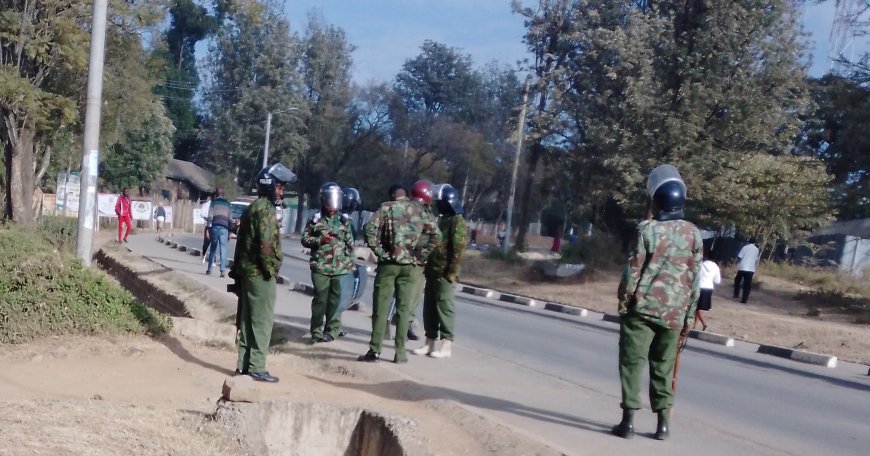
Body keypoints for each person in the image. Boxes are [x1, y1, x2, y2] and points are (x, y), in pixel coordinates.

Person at [612, 164, 702, 441]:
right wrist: (688, 318)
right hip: (674, 314)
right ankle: (663, 425)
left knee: (632, 364)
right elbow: (695, 279)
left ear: (657, 200)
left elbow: (633, 271)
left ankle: (627, 423)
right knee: (663, 367)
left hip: (641, 310)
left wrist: (624, 301)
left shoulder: (646, 230)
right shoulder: (693, 233)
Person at [229, 163, 296, 383]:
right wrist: (271, 269)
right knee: (262, 321)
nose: (281, 191)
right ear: (269, 186)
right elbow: (266, 245)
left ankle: (243, 365)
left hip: (248, 272)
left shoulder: (253, 207)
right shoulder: (266, 210)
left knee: (248, 319)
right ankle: (257, 366)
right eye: (279, 187)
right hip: (260, 273)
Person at [358, 183, 440, 363]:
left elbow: (369, 229)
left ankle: (375, 350)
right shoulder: (420, 211)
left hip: (388, 264)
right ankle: (400, 352)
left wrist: (379, 252)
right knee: (404, 310)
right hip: (410, 265)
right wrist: (421, 256)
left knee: (380, 308)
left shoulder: (387, 207)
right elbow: (436, 235)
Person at [413, 184, 467, 359]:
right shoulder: (442, 220)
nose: (438, 204)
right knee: (429, 308)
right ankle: (429, 342)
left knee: (444, 307)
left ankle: (446, 345)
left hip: (445, 273)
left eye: (440, 201)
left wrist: (451, 273)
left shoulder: (457, 222)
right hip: (433, 271)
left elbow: (457, 251)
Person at [301, 182, 355, 344]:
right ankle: (316, 331)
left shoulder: (344, 221)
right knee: (320, 300)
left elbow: (350, 244)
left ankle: (332, 330)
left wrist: (350, 264)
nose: (332, 206)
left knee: (335, 301)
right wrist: (320, 240)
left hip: (340, 268)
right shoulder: (315, 220)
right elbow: (305, 239)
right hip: (320, 266)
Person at [405, 179, 437, 342]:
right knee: (413, 295)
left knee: (401, 293)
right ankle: (406, 325)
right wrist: (425, 253)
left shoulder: (403, 208)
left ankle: (397, 323)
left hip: (400, 257)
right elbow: (436, 236)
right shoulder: (425, 213)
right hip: (417, 261)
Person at [206, 187, 232, 277]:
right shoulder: (227, 203)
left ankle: (209, 269)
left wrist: (208, 229)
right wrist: (230, 232)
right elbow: (230, 219)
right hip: (224, 228)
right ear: (223, 194)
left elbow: (210, 217)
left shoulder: (213, 202)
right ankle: (222, 271)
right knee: (223, 248)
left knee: (213, 248)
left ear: (216, 194)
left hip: (215, 226)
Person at [695, 249, 721, 331]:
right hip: (709, 288)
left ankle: (704, 324)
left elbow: (698, 275)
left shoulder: (702, 264)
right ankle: (695, 327)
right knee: (699, 308)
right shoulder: (716, 267)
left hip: (701, 286)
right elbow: (717, 281)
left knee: (696, 307)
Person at [733, 238, 760, 304]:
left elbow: (740, 257)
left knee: (737, 281)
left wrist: (736, 263)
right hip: (751, 269)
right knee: (747, 285)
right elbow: (756, 260)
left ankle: (736, 294)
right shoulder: (756, 250)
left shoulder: (745, 247)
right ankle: (744, 300)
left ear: (749, 241)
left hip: (743, 267)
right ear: (755, 242)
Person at [200, 195, 213, 265]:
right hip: (207, 225)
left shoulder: (217, 205)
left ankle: (211, 260)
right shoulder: (206, 205)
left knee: (213, 243)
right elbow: (201, 214)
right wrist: (206, 218)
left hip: (215, 226)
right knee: (206, 242)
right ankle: (203, 255)